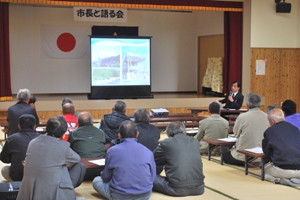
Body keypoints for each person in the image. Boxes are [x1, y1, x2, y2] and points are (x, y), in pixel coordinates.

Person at [17, 116, 86, 200]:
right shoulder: (62, 146)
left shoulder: (33, 142)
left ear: (47, 128)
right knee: (80, 166)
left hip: (31, 192)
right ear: (63, 133)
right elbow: (77, 159)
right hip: (53, 194)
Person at [93, 120, 156, 200]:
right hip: (145, 195)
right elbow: (152, 177)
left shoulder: (112, 151)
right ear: (137, 134)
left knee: (96, 180)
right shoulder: (148, 151)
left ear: (119, 135)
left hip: (120, 195)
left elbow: (106, 177)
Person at [153, 121, 205, 197]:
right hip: (199, 188)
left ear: (168, 132)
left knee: (147, 176)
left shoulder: (167, 143)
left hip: (176, 188)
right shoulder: (194, 141)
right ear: (184, 130)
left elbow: (153, 159)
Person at [222, 93, 269, 166]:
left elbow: (236, 134)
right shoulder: (267, 117)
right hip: (262, 156)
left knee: (224, 154)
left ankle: (248, 163)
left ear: (247, 104)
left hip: (243, 156)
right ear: (259, 104)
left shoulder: (242, 117)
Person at [263, 108, 300, 186]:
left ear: (272, 121)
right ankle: (295, 179)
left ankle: (282, 180)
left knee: (265, 170)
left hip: (284, 169)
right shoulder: (295, 129)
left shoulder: (270, 131)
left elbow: (267, 153)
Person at [0, 114, 40, 181]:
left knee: (5, 170)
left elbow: (4, 159)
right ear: (34, 126)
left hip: (18, 177)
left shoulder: (11, 138)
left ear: (19, 126)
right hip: (38, 177)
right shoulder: (42, 138)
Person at [69, 112, 106, 180]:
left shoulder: (73, 134)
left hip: (81, 171)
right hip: (100, 170)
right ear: (92, 122)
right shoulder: (101, 132)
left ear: (78, 123)